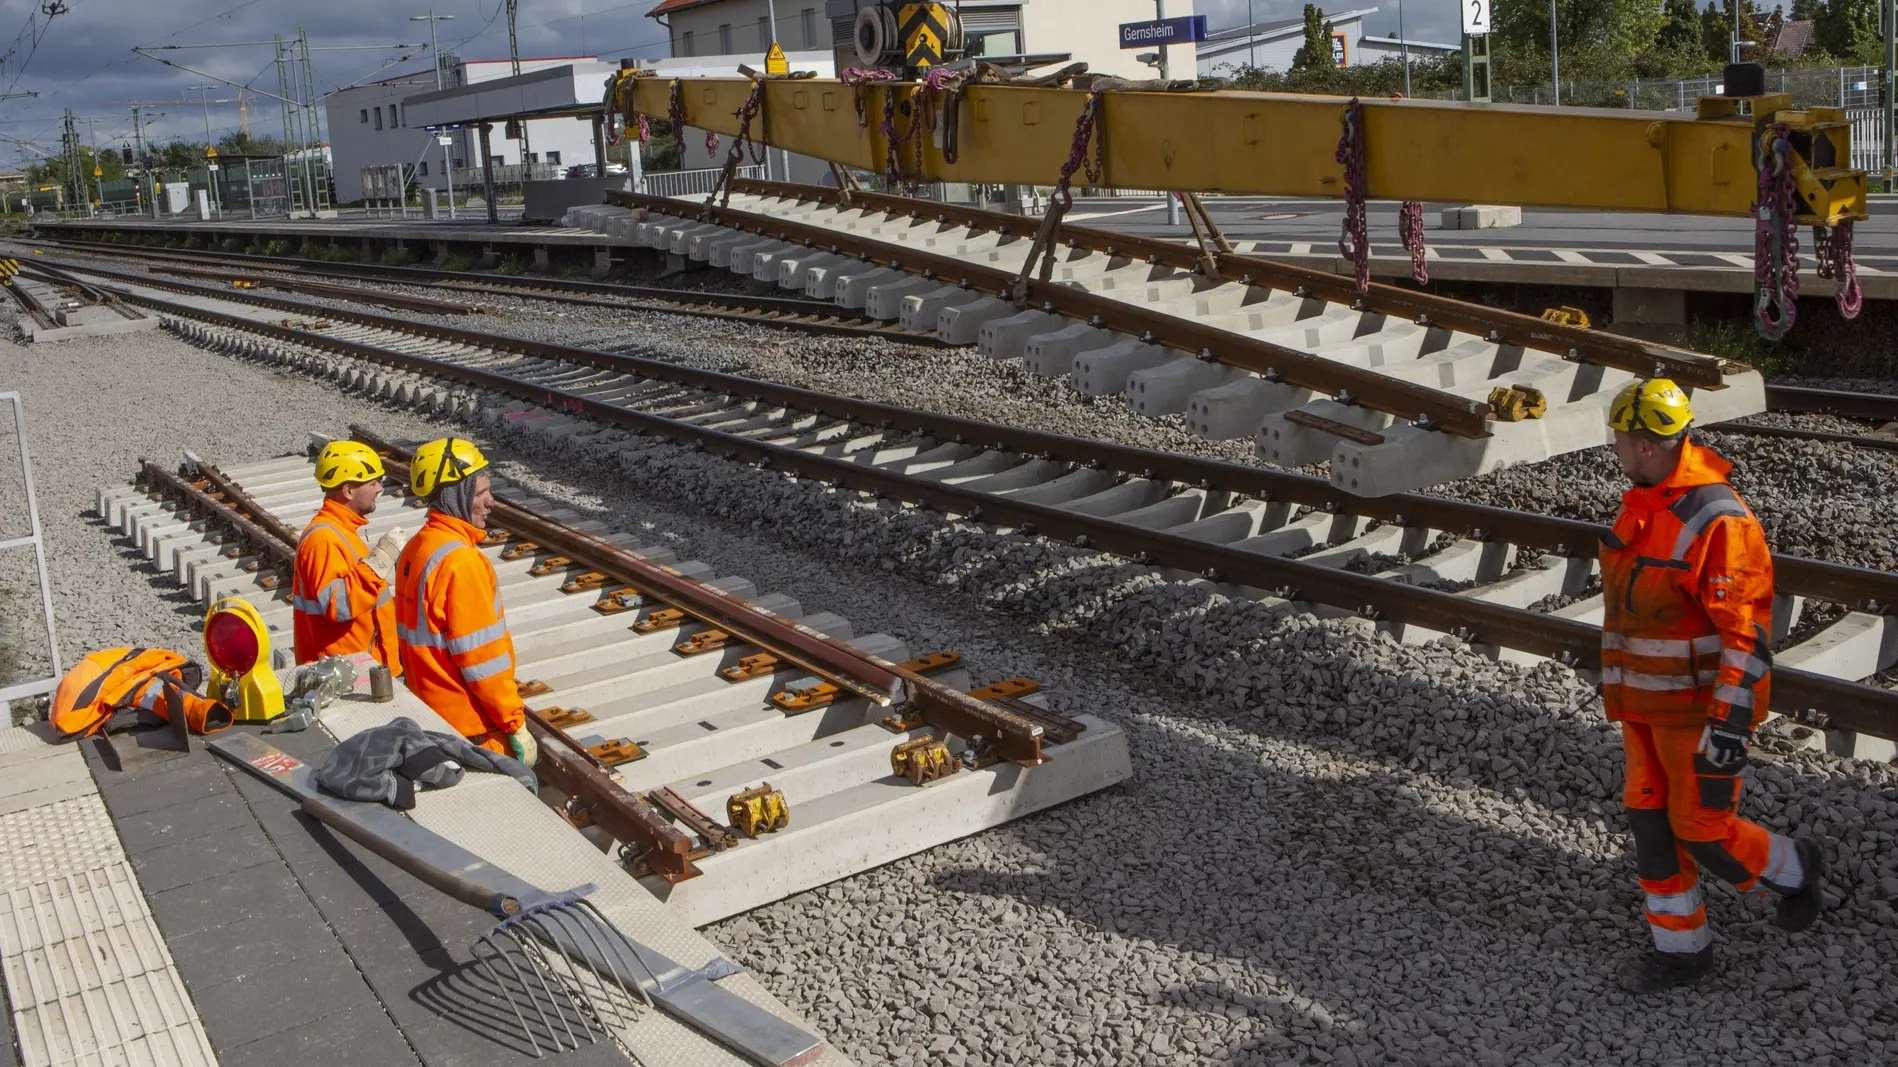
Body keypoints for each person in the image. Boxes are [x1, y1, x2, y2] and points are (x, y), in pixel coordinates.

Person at [1601, 378, 1825, 992]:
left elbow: (1747, 632)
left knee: (1701, 828)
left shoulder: (1719, 522)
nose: (1615, 449)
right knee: (1652, 830)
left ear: (1647, 444)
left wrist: (1730, 722)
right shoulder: (1645, 502)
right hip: (1644, 708)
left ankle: (1795, 867)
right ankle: (1682, 953)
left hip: (1695, 715)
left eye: (1621, 439)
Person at [393, 437, 536, 766]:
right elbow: (482, 660)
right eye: (481, 492)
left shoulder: (418, 548)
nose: (492, 502)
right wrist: (513, 724)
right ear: (456, 494)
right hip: (470, 727)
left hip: (429, 714)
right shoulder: (461, 562)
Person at [293, 440, 402, 672]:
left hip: (364, 670)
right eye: (373, 482)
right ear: (348, 491)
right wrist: (378, 562)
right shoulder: (322, 540)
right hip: (348, 678)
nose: (380, 489)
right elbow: (338, 605)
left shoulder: (342, 532)